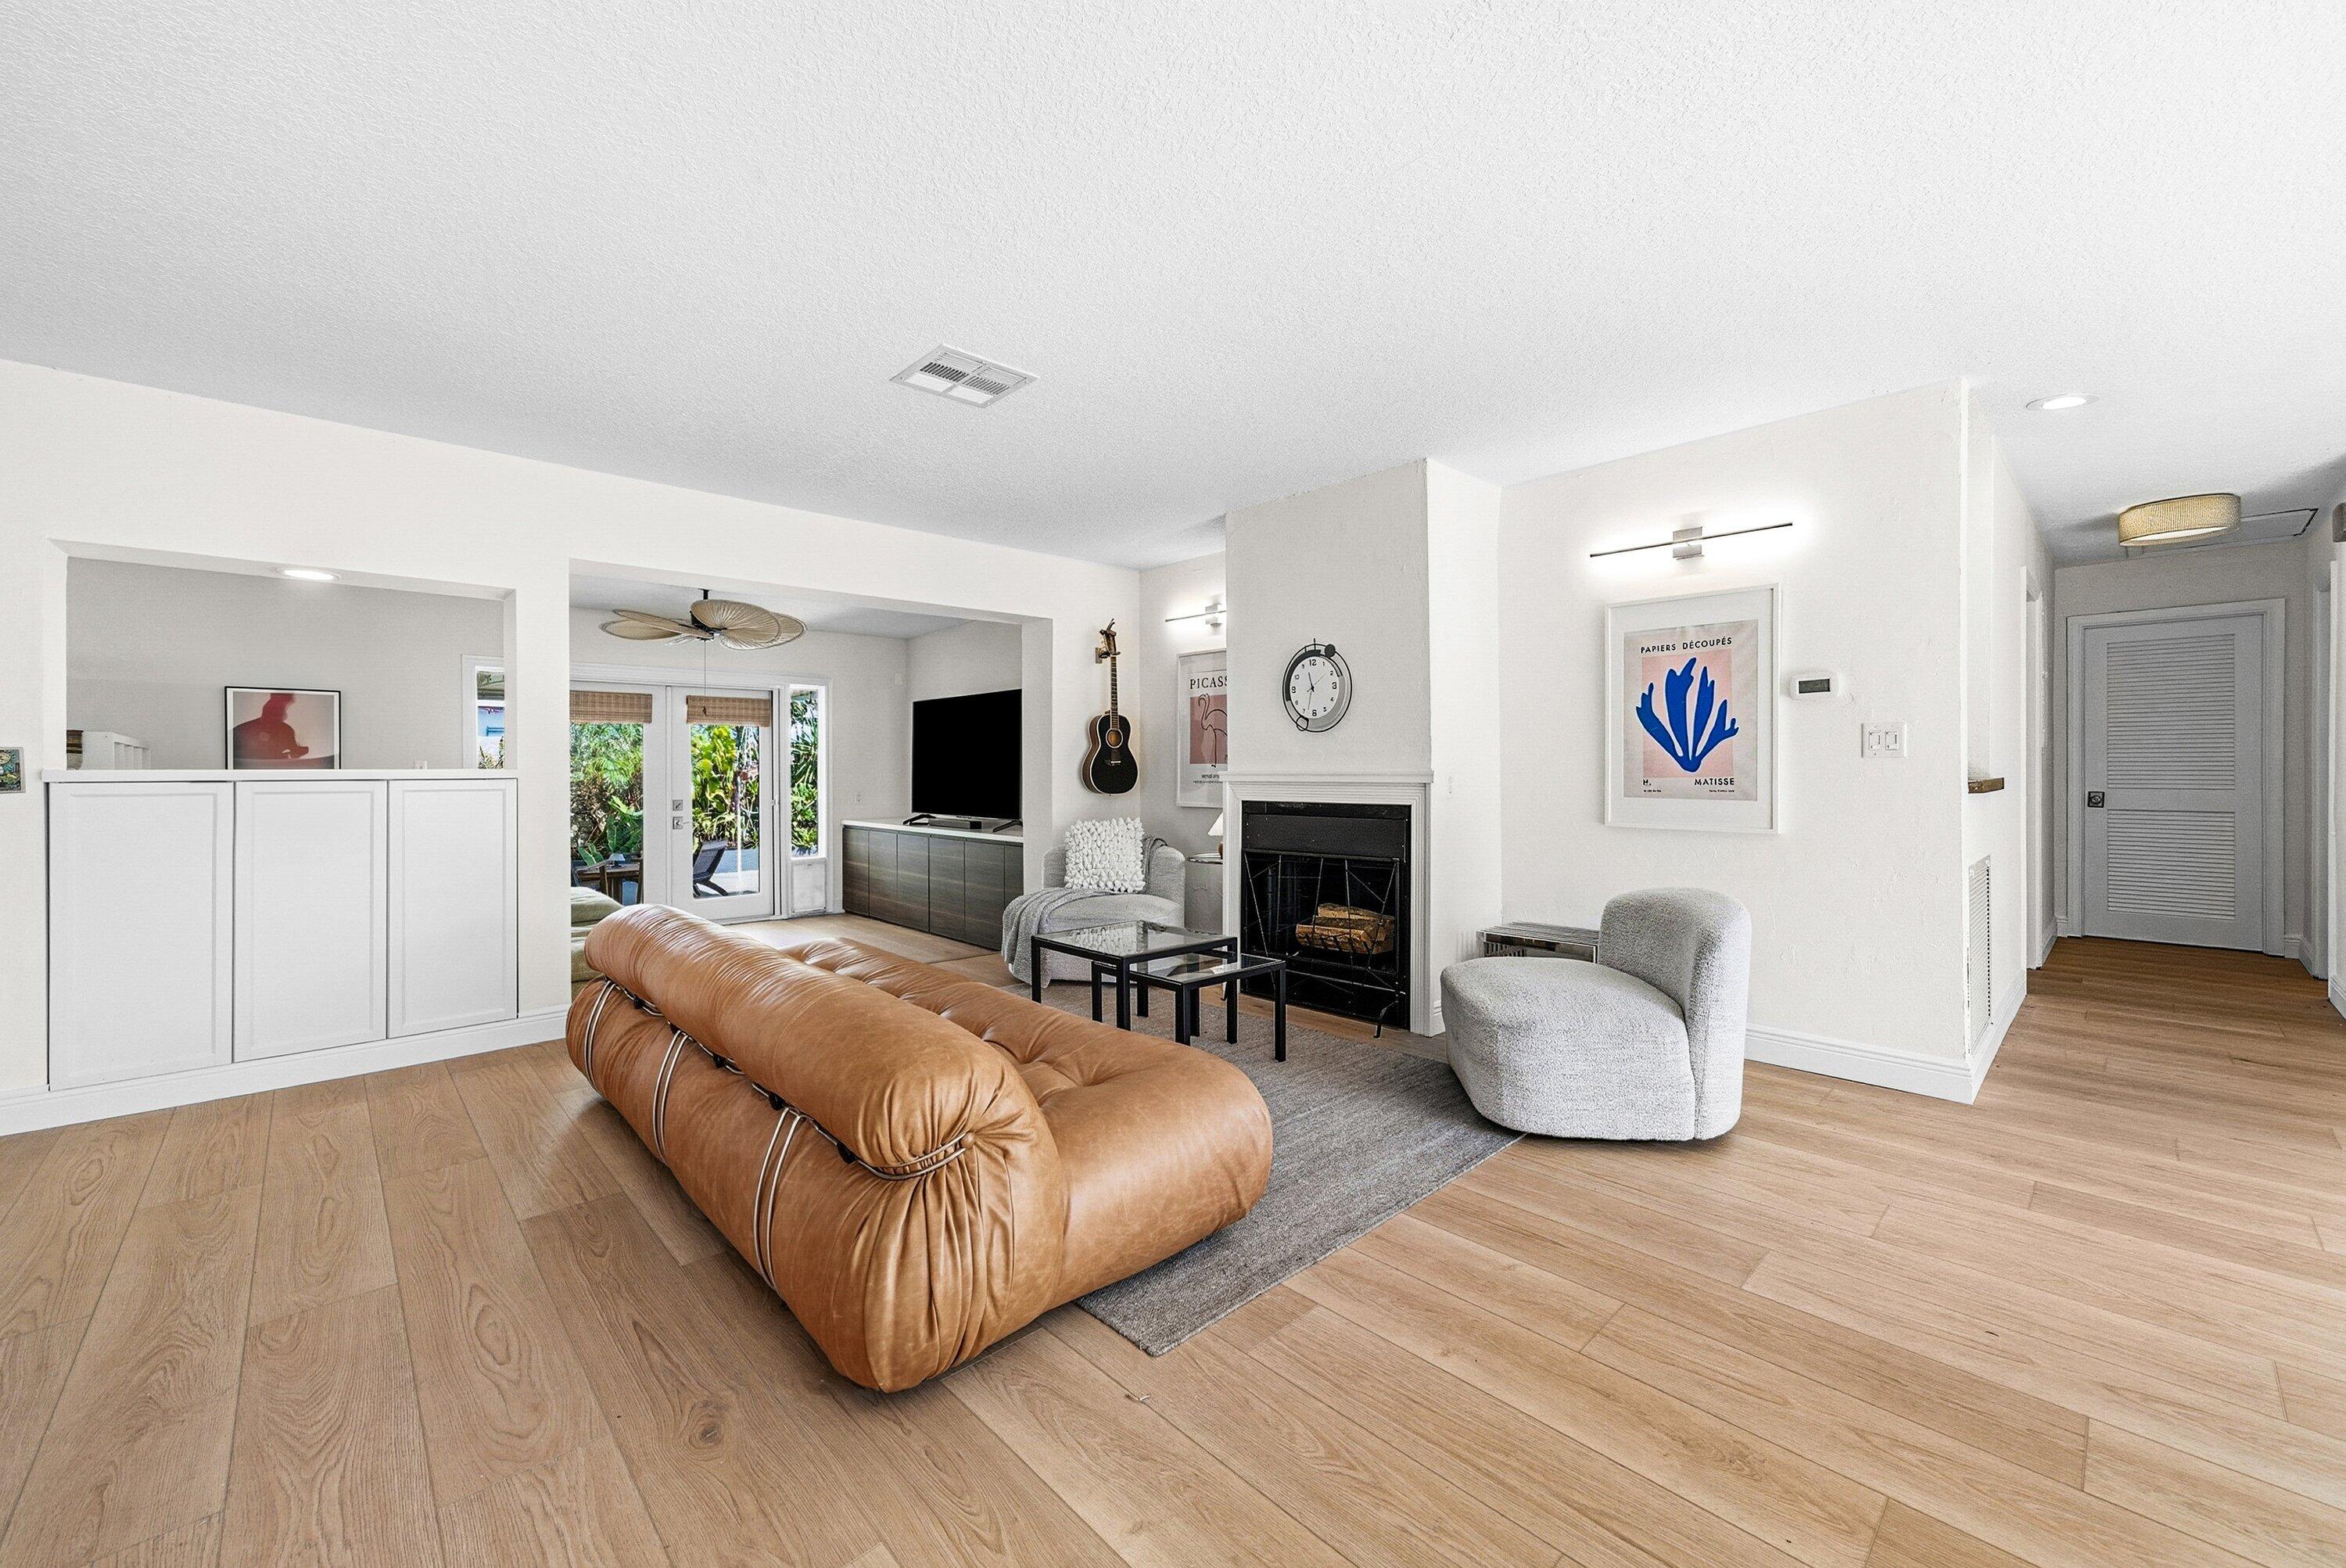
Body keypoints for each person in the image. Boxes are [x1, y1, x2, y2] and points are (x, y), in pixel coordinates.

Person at [231, 691, 315, 766]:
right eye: (284, 708)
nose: (286, 716)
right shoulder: (285, 730)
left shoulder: (241, 729)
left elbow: (295, 751)